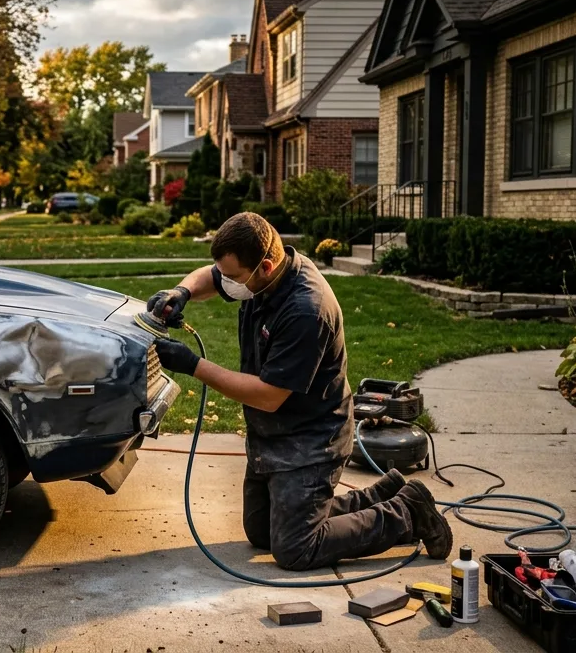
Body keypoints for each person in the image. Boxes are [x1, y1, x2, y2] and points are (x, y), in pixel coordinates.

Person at [148, 212, 451, 571]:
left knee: (295, 548)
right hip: (273, 434)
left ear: (266, 265)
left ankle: (407, 512)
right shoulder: (264, 274)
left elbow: (269, 395)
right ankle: (382, 493)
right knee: (262, 532)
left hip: (311, 439)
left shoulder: (306, 309)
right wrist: (183, 291)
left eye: (233, 278)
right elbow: (213, 275)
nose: (226, 285)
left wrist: (193, 365)